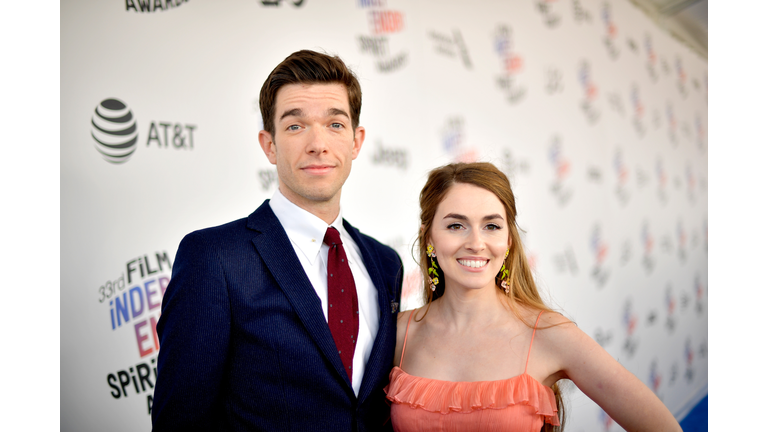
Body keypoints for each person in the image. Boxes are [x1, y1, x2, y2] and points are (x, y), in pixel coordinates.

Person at [151, 50, 403, 432]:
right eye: (296, 126)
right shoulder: (214, 259)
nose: (318, 144)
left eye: (335, 124)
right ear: (269, 145)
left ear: (356, 141)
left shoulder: (385, 264)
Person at [385, 162, 682, 432]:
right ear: (429, 239)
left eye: (491, 226)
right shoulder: (398, 333)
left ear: (509, 240)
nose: (476, 243)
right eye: (455, 225)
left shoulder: (549, 334)